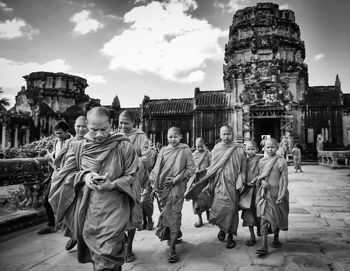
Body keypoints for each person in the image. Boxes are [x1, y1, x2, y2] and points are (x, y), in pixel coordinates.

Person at [52, 107, 139, 271]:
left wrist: (113, 184)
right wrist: (84, 177)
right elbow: (64, 175)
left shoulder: (124, 146)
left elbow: (132, 175)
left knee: (110, 254)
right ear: (87, 125)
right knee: (98, 259)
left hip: (115, 209)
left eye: (103, 129)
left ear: (111, 124)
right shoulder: (78, 148)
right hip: (89, 211)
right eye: (94, 130)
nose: (99, 135)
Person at [185, 126, 247, 249]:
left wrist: (242, 180)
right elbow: (213, 167)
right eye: (224, 134)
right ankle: (222, 229)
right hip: (218, 183)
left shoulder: (239, 149)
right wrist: (207, 182)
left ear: (233, 134)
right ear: (220, 135)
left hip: (233, 184)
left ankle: (230, 235)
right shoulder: (217, 149)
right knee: (219, 209)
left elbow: (243, 167)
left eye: (229, 134)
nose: (226, 136)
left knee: (231, 210)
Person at [150, 127, 195, 263]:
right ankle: (172, 236)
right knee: (166, 215)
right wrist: (154, 186)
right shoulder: (163, 150)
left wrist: (176, 179)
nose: (172, 139)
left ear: (181, 137)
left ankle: (173, 249)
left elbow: (191, 169)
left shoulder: (185, 150)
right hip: (162, 189)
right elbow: (156, 170)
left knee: (174, 216)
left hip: (177, 188)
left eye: (175, 136)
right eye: (170, 137)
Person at [118, 110, 154, 263]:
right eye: (120, 122)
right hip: (117, 181)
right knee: (117, 214)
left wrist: (134, 162)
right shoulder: (115, 137)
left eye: (126, 123)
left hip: (133, 181)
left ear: (133, 123)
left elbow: (147, 156)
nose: (123, 126)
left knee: (132, 212)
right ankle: (123, 239)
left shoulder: (140, 136)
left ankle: (129, 246)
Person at [49, 116, 88, 251]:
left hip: (86, 179)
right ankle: (73, 235)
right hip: (71, 179)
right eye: (78, 126)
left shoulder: (93, 142)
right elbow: (65, 161)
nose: (80, 129)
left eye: (84, 126)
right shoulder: (70, 142)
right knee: (70, 208)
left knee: (85, 211)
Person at [255, 138, 289, 256]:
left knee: (277, 218)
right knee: (264, 218)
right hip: (266, 194)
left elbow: (284, 179)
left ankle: (276, 237)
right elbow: (260, 175)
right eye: (268, 147)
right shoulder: (262, 161)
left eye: (273, 147)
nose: (270, 149)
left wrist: (282, 194)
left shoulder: (281, 161)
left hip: (278, 194)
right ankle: (264, 244)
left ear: (278, 147)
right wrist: (262, 181)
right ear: (264, 148)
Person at [37, 120, 72, 235]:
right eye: (56, 133)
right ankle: (52, 225)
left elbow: (68, 162)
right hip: (55, 175)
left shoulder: (73, 143)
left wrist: (53, 161)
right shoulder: (57, 140)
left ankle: (71, 230)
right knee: (47, 200)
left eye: (60, 133)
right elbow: (56, 154)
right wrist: (50, 155)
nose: (58, 135)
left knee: (67, 204)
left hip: (67, 177)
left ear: (67, 131)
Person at [241, 141, 261, 246]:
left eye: (252, 149)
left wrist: (256, 180)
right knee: (248, 214)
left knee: (259, 212)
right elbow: (240, 174)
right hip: (247, 191)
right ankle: (252, 235)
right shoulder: (243, 161)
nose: (250, 151)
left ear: (257, 150)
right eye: (248, 149)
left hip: (258, 190)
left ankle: (260, 228)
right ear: (245, 150)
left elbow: (264, 174)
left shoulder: (260, 161)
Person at [189, 137, 211, 228]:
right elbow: (190, 167)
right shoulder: (193, 155)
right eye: (198, 147)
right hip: (196, 180)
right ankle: (200, 218)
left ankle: (208, 213)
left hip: (205, 179)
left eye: (201, 147)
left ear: (204, 145)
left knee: (206, 198)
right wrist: (195, 172)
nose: (200, 149)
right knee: (197, 200)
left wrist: (204, 170)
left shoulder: (209, 154)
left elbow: (212, 165)